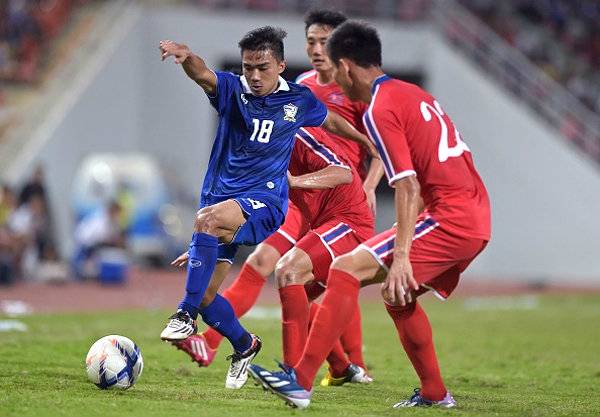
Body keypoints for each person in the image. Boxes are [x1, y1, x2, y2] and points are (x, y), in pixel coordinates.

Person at [249, 21, 491, 409]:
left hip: (451, 217)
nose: (337, 87)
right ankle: (434, 393)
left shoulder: (380, 109)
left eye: (334, 70)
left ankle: (301, 381)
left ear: (345, 67)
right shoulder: (414, 94)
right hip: (470, 213)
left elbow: (407, 185)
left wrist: (402, 255)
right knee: (397, 299)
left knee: (346, 268)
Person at [158, 26, 376, 390]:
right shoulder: (232, 90)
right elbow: (202, 73)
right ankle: (245, 345)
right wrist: (185, 56)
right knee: (209, 295)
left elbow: (330, 121)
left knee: (212, 236)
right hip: (220, 201)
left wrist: (361, 138)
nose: (255, 76)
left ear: (280, 65)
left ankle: (184, 313)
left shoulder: (298, 101)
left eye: (262, 67)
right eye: (248, 68)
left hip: (266, 201)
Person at [174, 126, 375, 386]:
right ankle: (340, 367)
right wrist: (199, 244)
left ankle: (294, 376)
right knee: (297, 292)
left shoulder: (299, 133)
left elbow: (343, 172)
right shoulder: (255, 147)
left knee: (287, 270)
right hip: (313, 218)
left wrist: (295, 181)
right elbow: (236, 204)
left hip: (348, 220)